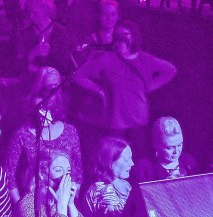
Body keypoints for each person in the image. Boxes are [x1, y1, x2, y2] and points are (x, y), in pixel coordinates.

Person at [71, 20, 177, 154]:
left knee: (139, 159)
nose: (120, 38)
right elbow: (78, 76)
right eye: (117, 35)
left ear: (134, 36)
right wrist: (98, 90)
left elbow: (170, 70)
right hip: (115, 123)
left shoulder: (145, 59)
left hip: (139, 122)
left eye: (124, 35)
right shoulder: (106, 59)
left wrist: (149, 86)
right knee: (115, 159)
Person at [6, 72, 82, 206]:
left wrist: (70, 202)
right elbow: (9, 174)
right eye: (38, 109)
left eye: (45, 109)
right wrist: (21, 206)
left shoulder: (70, 131)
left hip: (63, 201)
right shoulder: (21, 134)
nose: (42, 114)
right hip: (33, 203)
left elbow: (77, 169)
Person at [83, 137, 135, 217]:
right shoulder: (101, 189)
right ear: (109, 161)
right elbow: (117, 215)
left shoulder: (125, 184)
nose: (132, 163)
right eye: (126, 160)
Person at [133, 116, 199, 182]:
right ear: (155, 145)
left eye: (179, 145)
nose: (176, 152)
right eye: (170, 148)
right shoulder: (144, 168)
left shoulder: (189, 162)